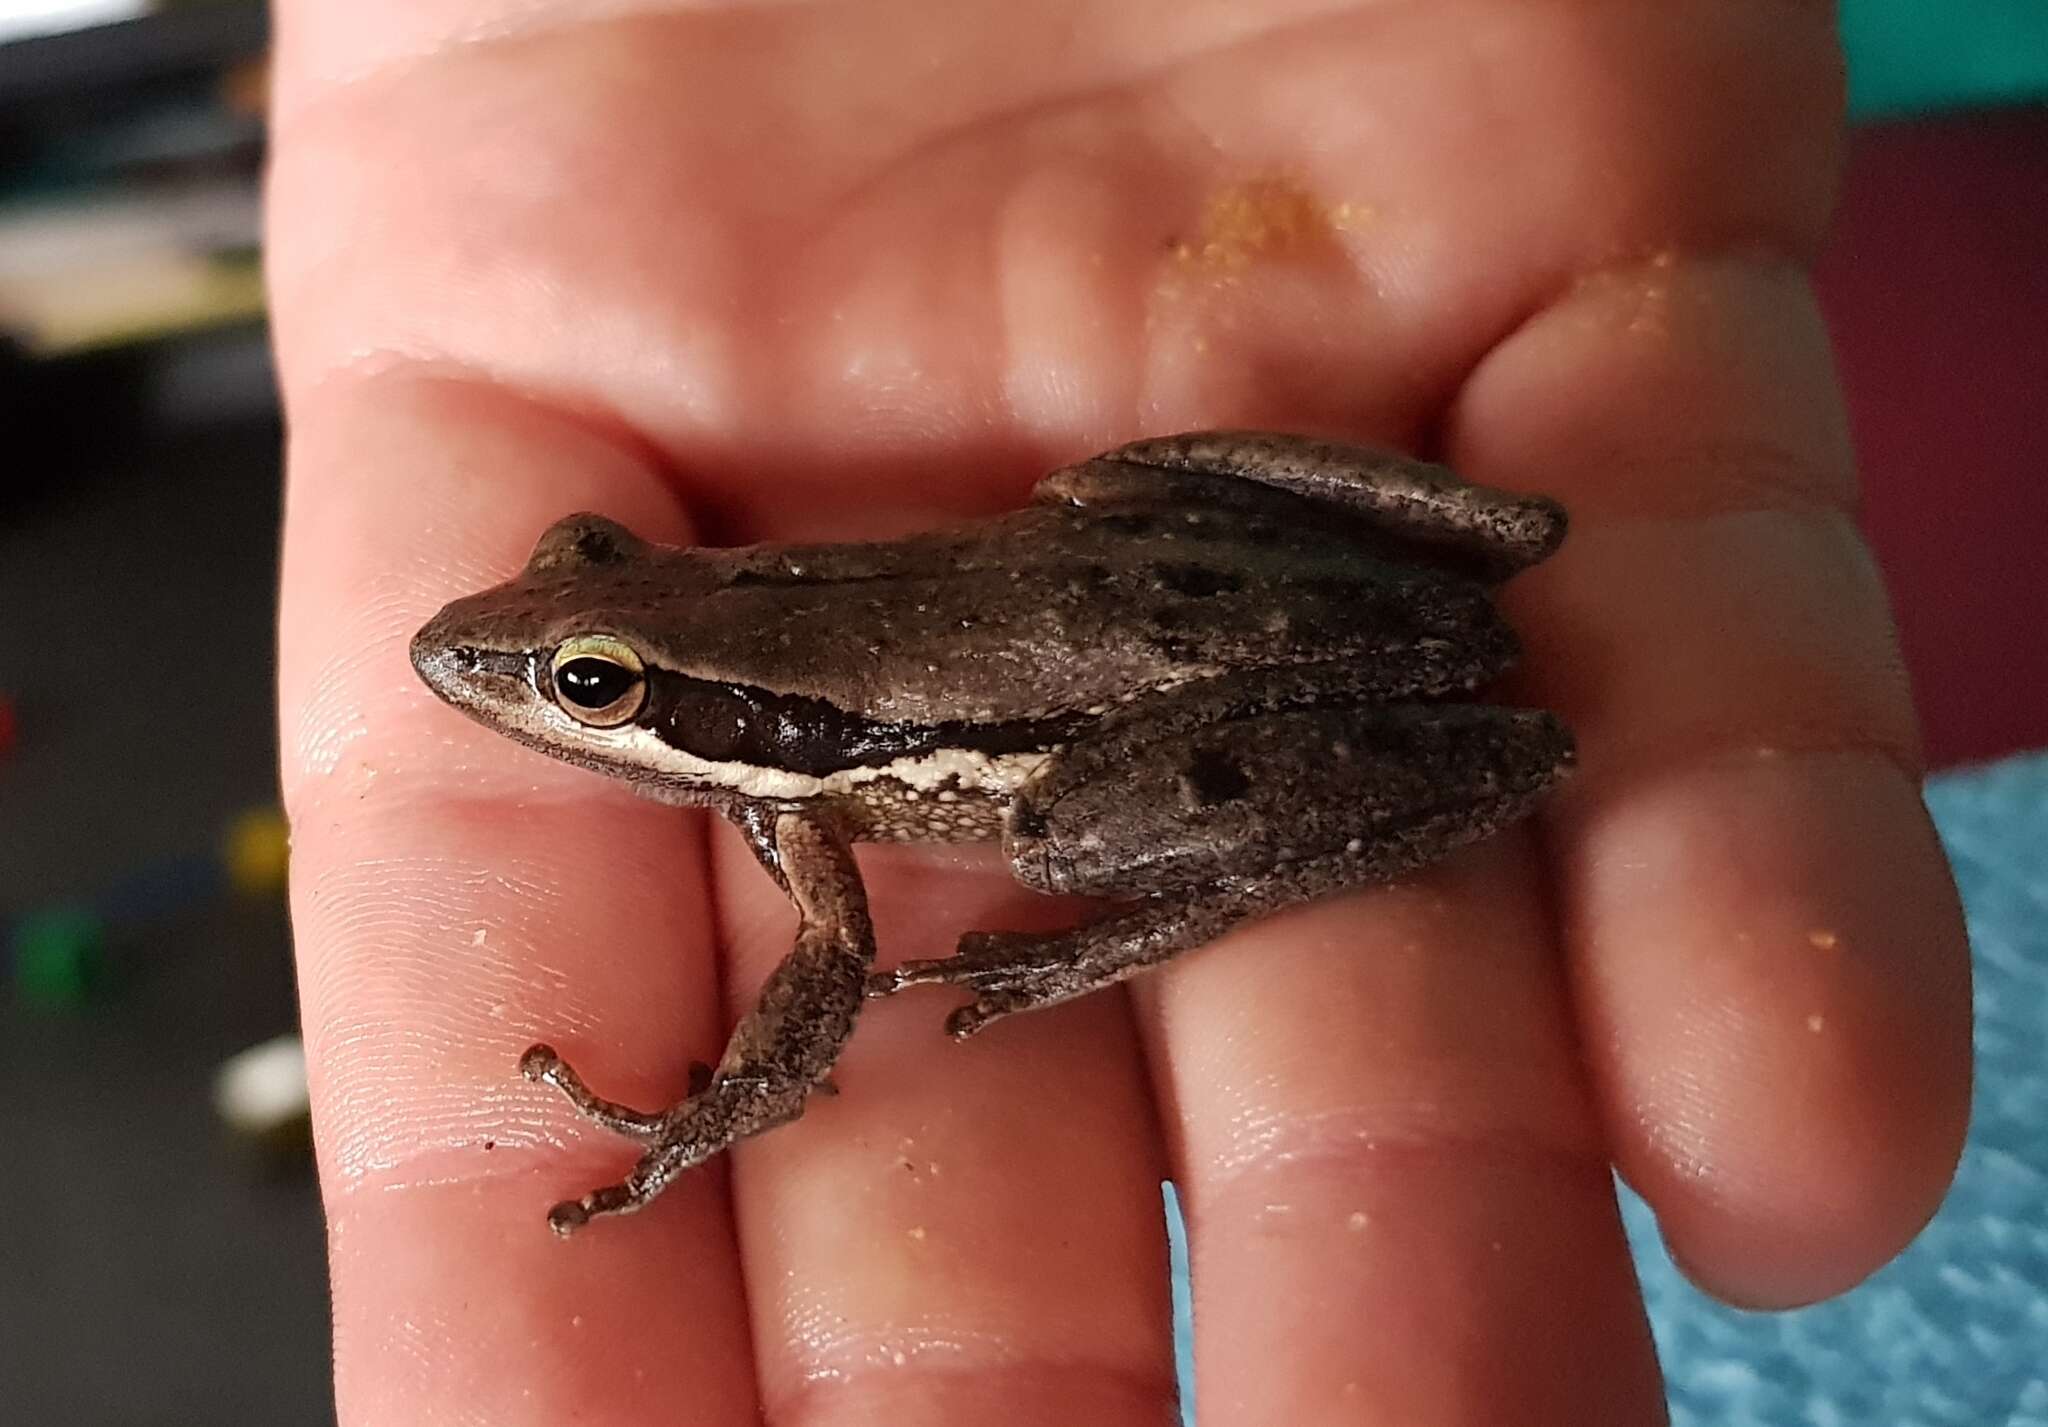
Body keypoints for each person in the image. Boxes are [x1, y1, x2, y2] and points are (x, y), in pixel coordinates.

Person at [266, 3, 1972, 1421]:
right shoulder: (774, 694)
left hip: (1203, 691)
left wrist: (739, 1098)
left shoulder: (796, 801)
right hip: (1186, 578)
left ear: (709, 712)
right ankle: (1441, 580)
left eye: (591, 682)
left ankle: (1137, 913)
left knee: (1066, 830)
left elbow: (833, 966)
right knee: (1100, 490)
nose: (509, 681)